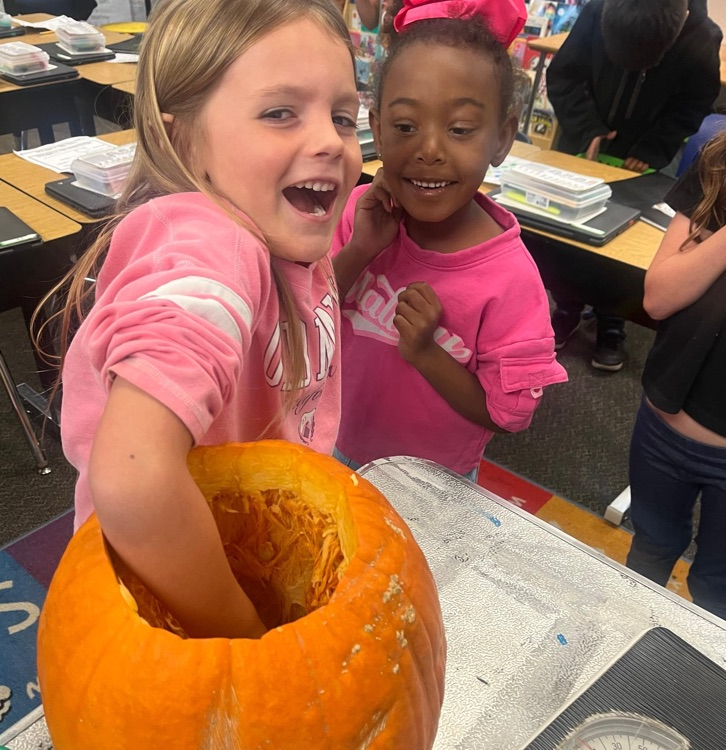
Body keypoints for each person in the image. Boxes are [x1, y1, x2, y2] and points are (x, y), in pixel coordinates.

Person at [37, 0, 361, 639]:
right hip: (179, 598)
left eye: (345, 116)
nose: (331, 140)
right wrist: (240, 632)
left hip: (252, 536)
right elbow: (134, 476)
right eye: (279, 113)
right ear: (183, 139)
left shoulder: (276, 227)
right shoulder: (213, 249)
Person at [331, 0, 568, 480]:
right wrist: (359, 251)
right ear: (375, 127)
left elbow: (507, 415)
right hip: (331, 446)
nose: (430, 150)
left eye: (460, 129)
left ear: (501, 138)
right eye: (404, 127)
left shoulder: (509, 279)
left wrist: (425, 353)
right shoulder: (359, 213)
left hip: (431, 486)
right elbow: (301, 320)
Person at [545, 0, 722, 371]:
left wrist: (653, 149)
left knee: (630, 239)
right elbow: (563, 75)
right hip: (585, 138)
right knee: (569, 230)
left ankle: (612, 323)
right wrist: (587, 128)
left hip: (648, 153)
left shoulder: (702, 37)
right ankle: (567, 308)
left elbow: (693, 105)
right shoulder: (598, 10)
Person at [625, 130, 726, 620]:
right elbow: (658, 296)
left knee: (717, 590)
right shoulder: (718, 164)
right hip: (663, 423)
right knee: (649, 549)